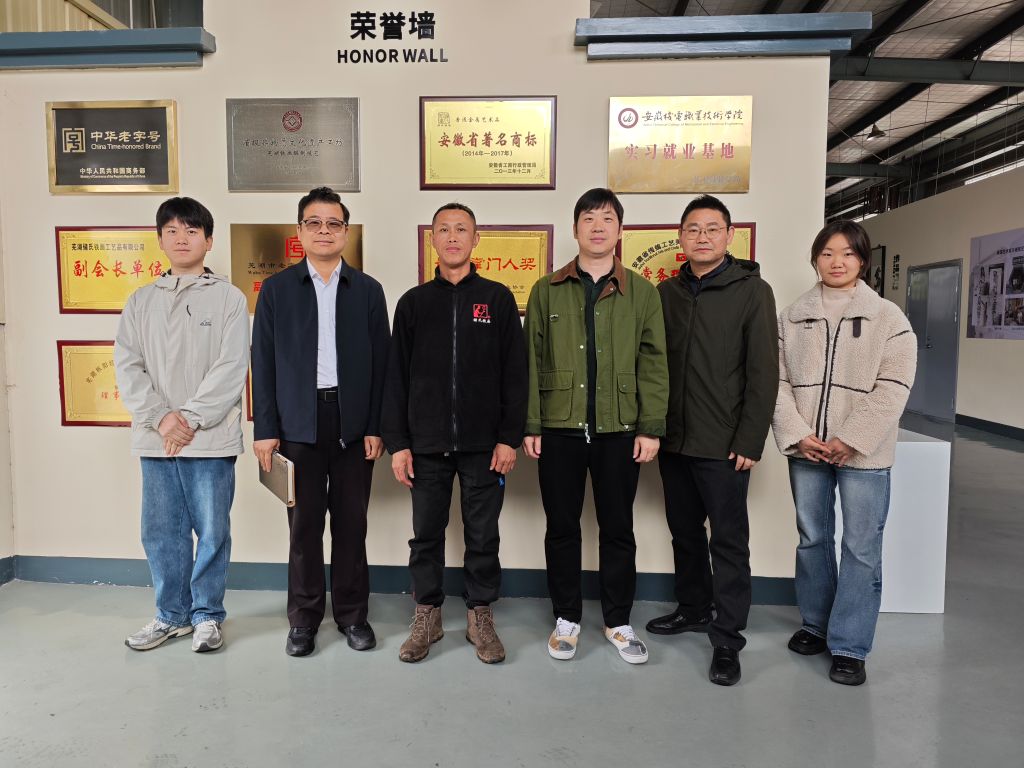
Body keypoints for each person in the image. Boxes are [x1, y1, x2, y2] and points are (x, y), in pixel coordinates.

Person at [523, 188, 668, 665]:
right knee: (562, 527)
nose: (598, 226)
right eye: (589, 218)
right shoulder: (546, 289)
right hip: (558, 428)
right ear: (575, 229)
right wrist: (531, 423)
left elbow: (654, 363)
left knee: (618, 528)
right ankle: (566, 617)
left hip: (620, 429)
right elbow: (530, 361)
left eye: (607, 219)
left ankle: (617, 620)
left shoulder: (642, 292)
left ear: (620, 230)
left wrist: (650, 427)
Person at [772, 219, 917, 686]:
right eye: (828, 253)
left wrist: (851, 438)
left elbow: (894, 387)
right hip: (808, 451)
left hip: (864, 457)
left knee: (860, 547)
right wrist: (799, 434)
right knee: (812, 538)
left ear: (863, 261)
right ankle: (816, 624)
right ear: (815, 258)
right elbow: (775, 383)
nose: (837, 262)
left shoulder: (889, 319)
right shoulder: (791, 318)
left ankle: (850, 645)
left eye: (848, 254)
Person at [382, 203, 528, 665]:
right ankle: (427, 613)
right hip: (426, 444)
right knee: (426, 534)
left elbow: (516, 373)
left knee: (482, 535)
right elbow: (395, 378)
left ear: (475, 239)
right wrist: (399, 444)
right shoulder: (413, 303)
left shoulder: (497, 299)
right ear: (432, 239)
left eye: (461, 229)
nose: (452, 236)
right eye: (443, 229)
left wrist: (508, 437)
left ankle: (479, 614)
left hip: (485, 446)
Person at [251, 187, 390, 657]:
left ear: (346, 232)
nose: (324, 231)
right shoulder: (276, 290)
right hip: (296, 424)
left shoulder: (367, 291)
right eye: (314, 222)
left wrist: (376, 427)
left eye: (333, 223)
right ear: (300, 231)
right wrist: (265, 430)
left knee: (352, 525)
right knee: (304, 527)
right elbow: (262, 363)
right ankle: (304, 620)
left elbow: (382, 365)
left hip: (353, 424)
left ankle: (353, 615)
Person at [649, 194, 778, 686]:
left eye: (712, 228)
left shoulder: (753, 291)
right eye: (693, 229)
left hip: (725, 444)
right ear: (680, 237)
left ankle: (727, 639)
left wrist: (750, 439)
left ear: (729, 235)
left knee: (728, 541)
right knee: (684, 533)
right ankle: (693, 608)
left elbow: (764, 371)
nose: (702, 237)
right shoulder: (666, 293)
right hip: (674, 440)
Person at [115, 197, 249, 654]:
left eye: (192, 231)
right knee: (161, 531)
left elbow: (232, 366)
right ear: (160, 240)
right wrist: (161, 417)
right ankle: (171, 616)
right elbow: (128, 366)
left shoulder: (229, 298)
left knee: (212, 531)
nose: (181, 238)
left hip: (210, 438)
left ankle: (207, 615)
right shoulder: (141, 300)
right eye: (171, 231)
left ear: (209, 241)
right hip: (156, 439)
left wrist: (188, 419)